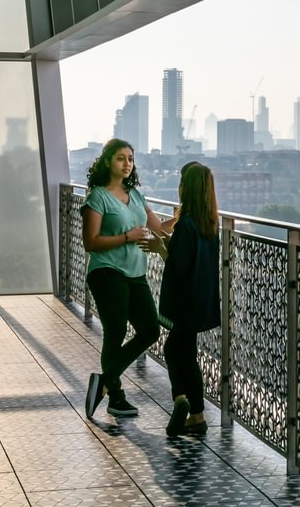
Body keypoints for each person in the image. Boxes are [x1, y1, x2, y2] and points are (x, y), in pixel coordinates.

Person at [81, 139, 166, 419]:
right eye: (120, 158)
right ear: (108, 161)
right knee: (115, 331)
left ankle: (104, 381)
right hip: (106, 271)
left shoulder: (137, 195)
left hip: (136, 272)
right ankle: (116, 396)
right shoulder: (97, 196)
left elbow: (158, 229)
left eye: (130, 158)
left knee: (150, 330)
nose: (127, 163)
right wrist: (127, 237)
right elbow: (91, 242)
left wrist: (182, 218)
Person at [156, 162, 221, 436]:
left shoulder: (186, 224)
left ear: (187, 188)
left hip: (183, 302)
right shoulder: (209, 222)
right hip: (201, 299)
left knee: (174, 351)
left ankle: (187, 405)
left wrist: (159, 247)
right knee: (187, 352)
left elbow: (178, 264)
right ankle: (193, 413)